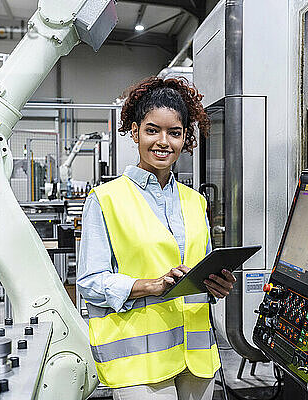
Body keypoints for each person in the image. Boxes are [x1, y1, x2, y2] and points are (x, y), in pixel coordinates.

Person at [77, 76, 236, 400]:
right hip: (138, 362)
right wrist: (149, 285)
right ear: (135, 132)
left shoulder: (195, 202)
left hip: (196, 356)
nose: (163, 142)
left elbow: (201, 271)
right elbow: (89, 282)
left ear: (185, 139)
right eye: (152, 130)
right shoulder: (105, 200)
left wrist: (218, 285)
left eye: (174, 133)